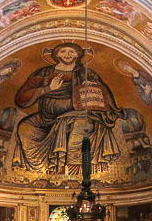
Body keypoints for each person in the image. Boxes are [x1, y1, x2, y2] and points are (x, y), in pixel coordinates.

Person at [13, 42, 126, 175]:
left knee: (80, 126)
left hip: (77, 115)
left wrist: (93, 87)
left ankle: (75, 174)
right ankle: (39, 171)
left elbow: (104, 94)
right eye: (63, 51)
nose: (67, 55)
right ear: (56, 55)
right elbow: (22, 98)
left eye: (71, 52)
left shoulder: (87, 73)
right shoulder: (44, 73)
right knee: (24, 127)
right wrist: (48, 88)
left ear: (78, 55)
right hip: (46, 118)